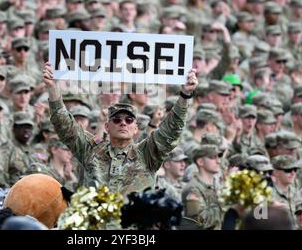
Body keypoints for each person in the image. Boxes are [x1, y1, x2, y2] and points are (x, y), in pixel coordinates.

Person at [42, 62, 198, 196]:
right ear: (107, 127)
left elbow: (171, 130)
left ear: (136, 128)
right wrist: (53, 88)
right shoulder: (91, 150)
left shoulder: (147, 153)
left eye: (129, 120)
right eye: (116, 119)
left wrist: (185, 95)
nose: (123, 123)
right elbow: (65, 126)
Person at [180, 145, 223, 230]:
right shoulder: (192, 189)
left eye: (219, 157)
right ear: (200, 162)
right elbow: (197, 220)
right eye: (213, 157)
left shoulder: (217, 185)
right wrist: (226, 207)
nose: (218, 161)